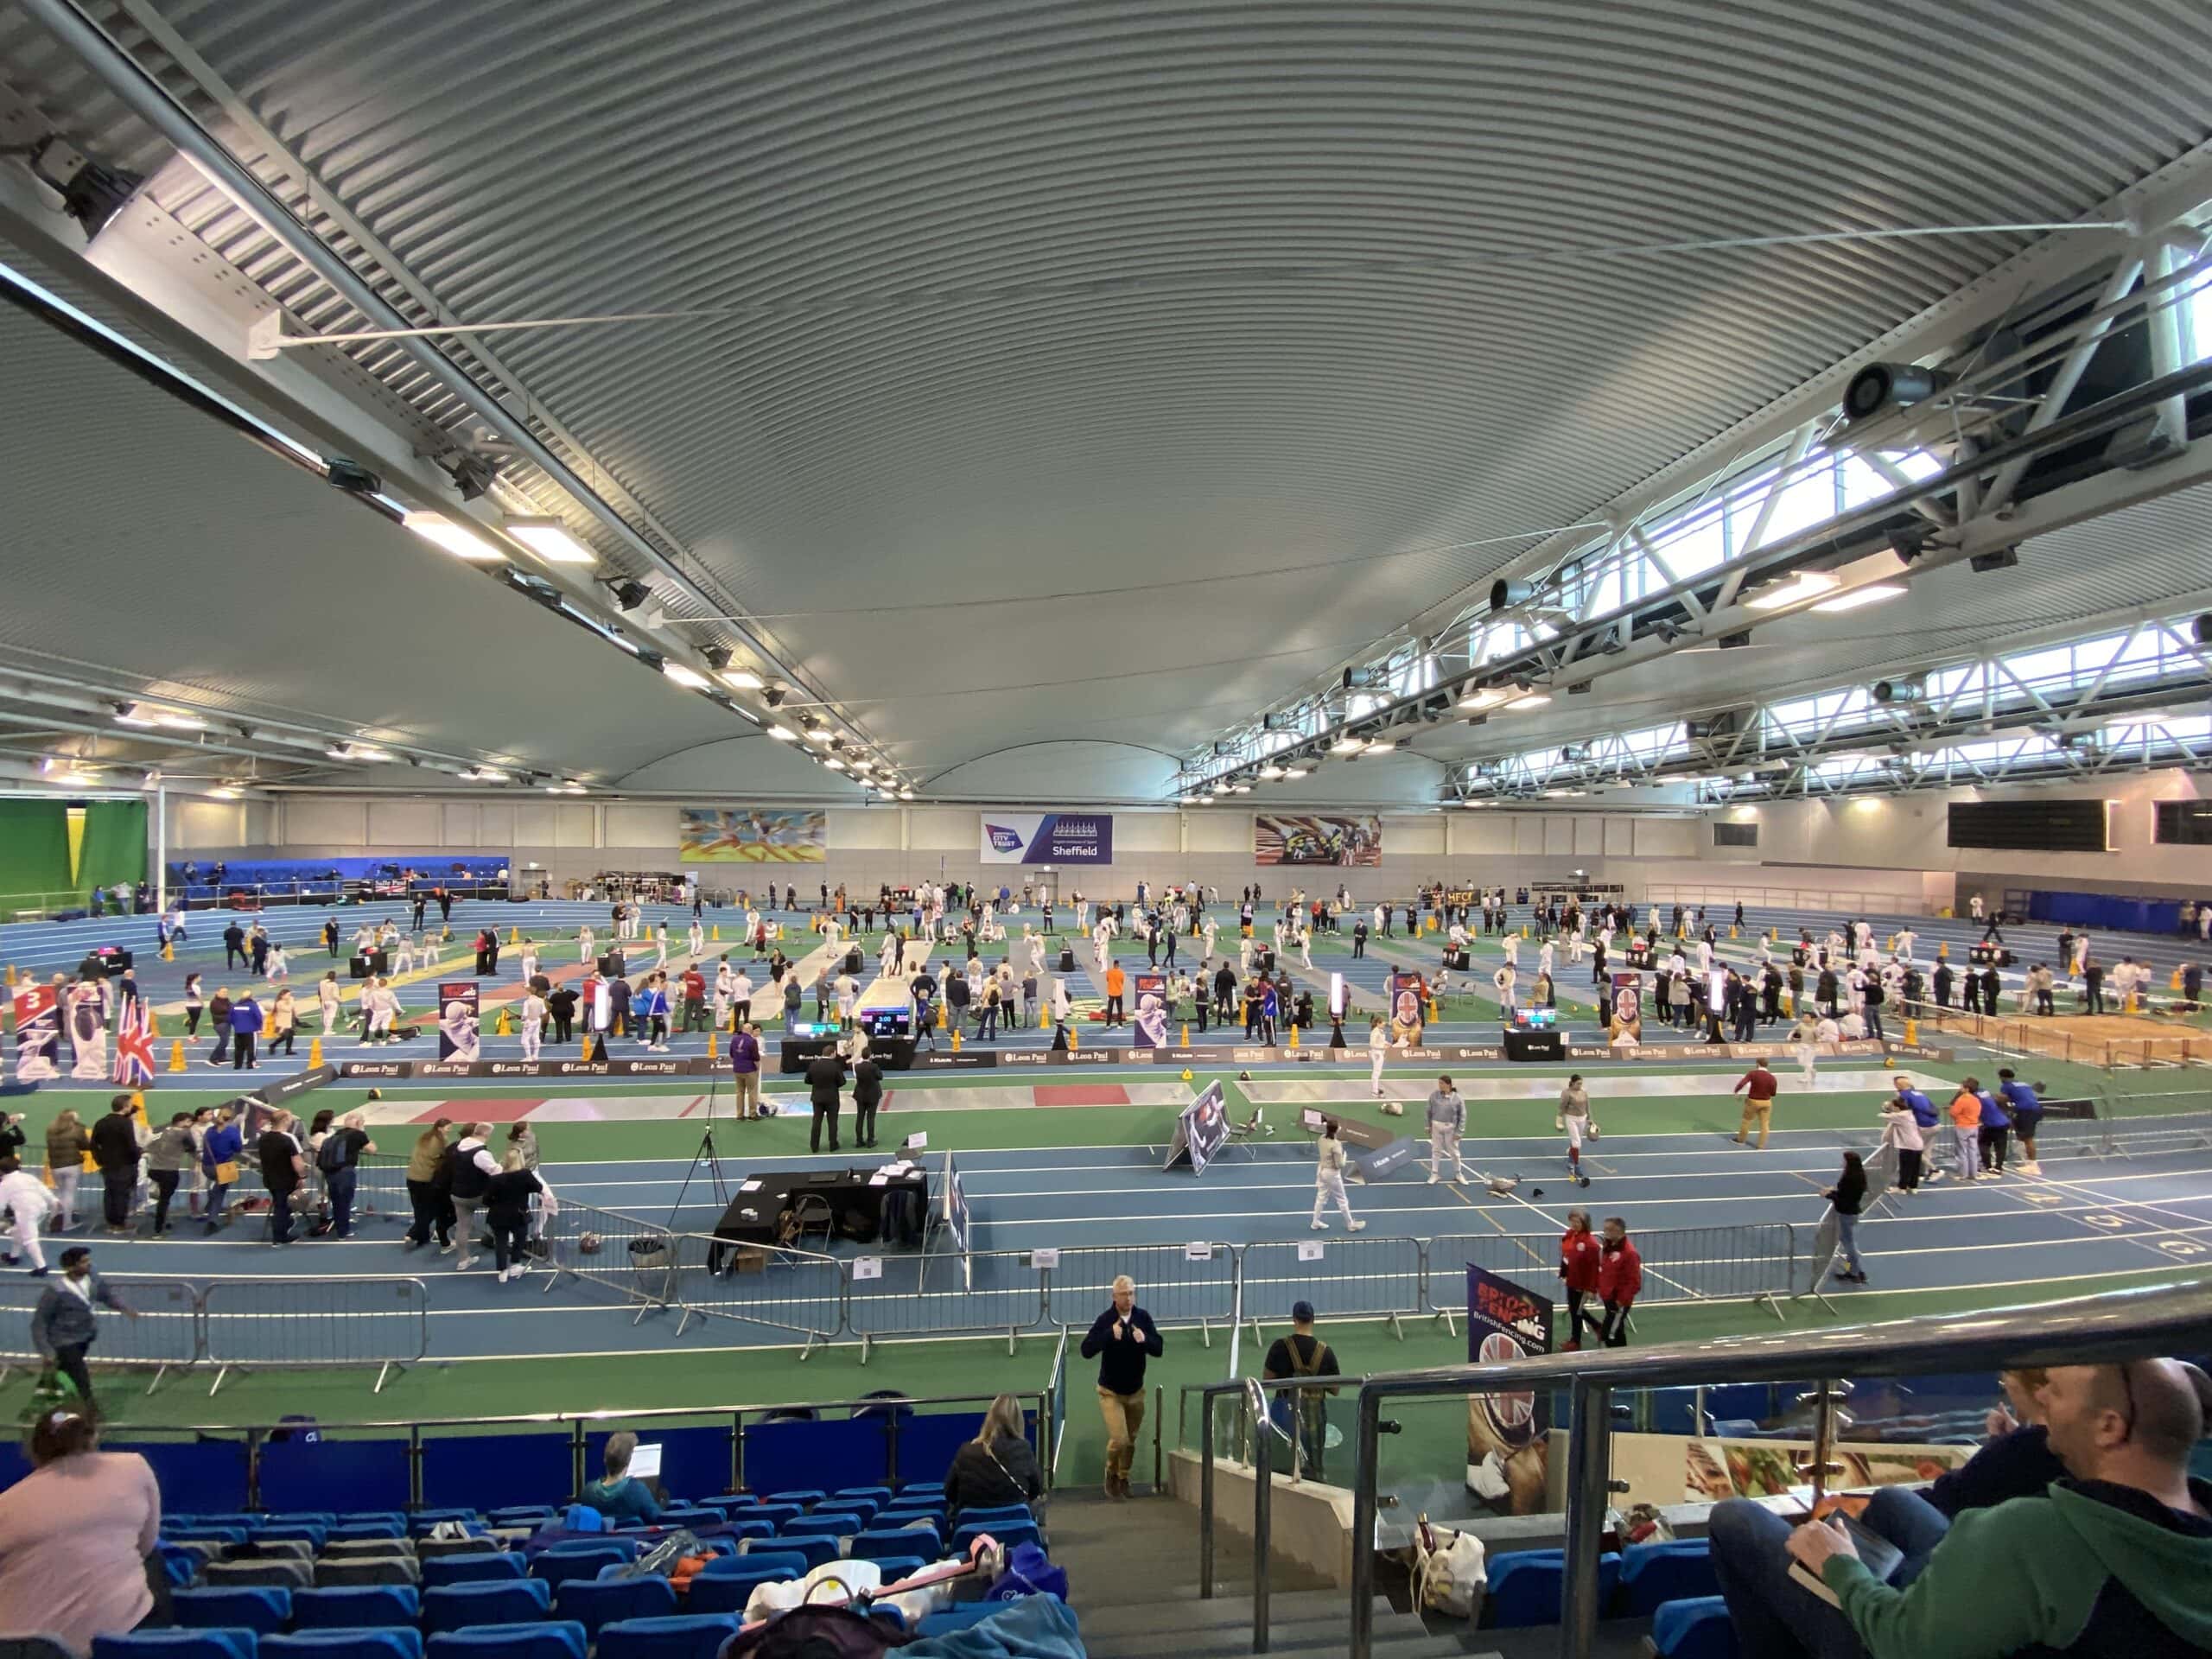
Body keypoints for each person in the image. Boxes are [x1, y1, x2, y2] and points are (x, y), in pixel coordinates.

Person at [1713, 1359, 2212, 1659]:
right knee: (1893, 1502)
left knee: (1735, 1519)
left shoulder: (2031, 1535)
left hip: (1896, 1637)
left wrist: (1840, 1567)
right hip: (2004, 1612)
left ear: (2109, 1427)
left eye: (2054, 1393)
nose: (2041, 1402)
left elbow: (1902, 1642)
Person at [0, 1399, 163, 1650]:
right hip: (103, 1639)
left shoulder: (6, 1504)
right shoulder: (134, 1467)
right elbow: (146, 1545)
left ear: (35, 1449)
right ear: (92, 1436)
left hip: (18, 1648)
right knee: (152, 1560)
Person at [1081, 1275, 1165, 1499]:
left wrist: (1145, 1338)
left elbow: (1159, 1348)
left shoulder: (1142, 1318)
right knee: (1120, 1439)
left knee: (1131, 1440)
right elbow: (1086, 1350)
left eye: (1131, 1293)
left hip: (1136, 1392)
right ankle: (1110, 1471)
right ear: (1114, 1297)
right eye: (1124, 1294)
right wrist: (1109, 1335)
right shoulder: (1106, 1320)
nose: (1128, 1298)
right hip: (1110, 1392)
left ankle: (1123, 1477)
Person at [29, 1245, 138, 1408]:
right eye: (84, 1262)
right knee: (80, 1377)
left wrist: (124, 1307)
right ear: (71, 1267)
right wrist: (47, 1352)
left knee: (64, 1371)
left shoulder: (92, 1278)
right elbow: (39, 1322)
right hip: (64, 1341)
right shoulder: (56, 1291)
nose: (89, 1264)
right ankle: (90, 1412)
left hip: (84, 1336)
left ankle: (49, 1402)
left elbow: (105, 1295)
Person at [941, 1393, 1043, 1525]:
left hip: (972, 1531)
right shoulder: (1023, 1448)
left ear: (989, 1418)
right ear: (1018, 1420)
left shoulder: (966, 1451)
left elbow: (950, 1492)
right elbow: (1035, 1490)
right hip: (1015, 1526)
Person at [436, 1123, 501, 1270]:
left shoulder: (457, 1147)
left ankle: (463, 1260)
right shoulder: (480, 1153)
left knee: (462, 1227)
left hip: (458, 1194)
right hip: (477, 1195)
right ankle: (502, 1249)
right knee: (501, 1212)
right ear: (485, 1135)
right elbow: (496, 1171)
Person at [483, 1160, 556, 1282]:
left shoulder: (495, 1179)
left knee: (501, 1243)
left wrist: (497, 1206)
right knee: (520, 1239)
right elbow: (538, 1187)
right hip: (518, 1215)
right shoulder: (525, 1175)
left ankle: (502, 1272)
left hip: (498, 1216)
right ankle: (515, 1265)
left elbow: (486, 1200)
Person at [577, 1431, 664, 1524]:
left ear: (605, 1459)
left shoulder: (588, 1492)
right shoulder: (637, 1491)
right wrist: (662, 1503)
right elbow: (658, 1519)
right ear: (629, 1461)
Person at [1580, 1217, 1639, 1348]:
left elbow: (1634, 1282)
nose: (1604, 1232)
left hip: (1617, 1302)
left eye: (1608, 1229)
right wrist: (1594, 1288)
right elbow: (1603, 1271)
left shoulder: (1629, 1253)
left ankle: (1616, 1360)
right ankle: (1625, 1358)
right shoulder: (1608, 1247)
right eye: (1605, 1229)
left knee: (1609, 1334)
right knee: (1617, 1331)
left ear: (1618, 1231)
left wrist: (1620, 1301)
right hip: (1608, 1298)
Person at [318, 1111, 376, 1237]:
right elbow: (372, 1149)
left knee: (336, 1201)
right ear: (358, 1123)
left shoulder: (335, 1135)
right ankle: (343, 1232)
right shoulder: (358, 1134)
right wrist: (365, 1134)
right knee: (344, 1201)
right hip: (345, 1172)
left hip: (330, 1173)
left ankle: (339, 1225)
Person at [89, 1096, 141, 1235]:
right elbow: (131, 1145)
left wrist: (99, 1160)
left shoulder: (101, 1122)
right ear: (125, 1107)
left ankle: (111, 1221)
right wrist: (137, 1157)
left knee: (110, 1192)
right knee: (122, 1195)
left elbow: (93, 1144)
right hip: (125, 1164)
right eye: (130, 1105)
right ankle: (119, 1223)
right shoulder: (125, 1123)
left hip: (107, 1164)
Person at [257, 1108, 305, 1246]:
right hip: (286, 1179)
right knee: (282, 1207)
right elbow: (298, 1162)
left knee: (280, 1204)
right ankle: (280, 1236)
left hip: (270, 1178)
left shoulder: (263, 1138)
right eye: (290, 1117)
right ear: (284, 1120)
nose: (292, 1120)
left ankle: (284, 1225)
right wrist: (302, 1176)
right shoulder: (289, 1138)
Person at [0, 1154, 56, 1273]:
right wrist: (53, 1201)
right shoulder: (28, 1177)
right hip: (41, 1208)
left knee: (29, 1239)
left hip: (26, 1211)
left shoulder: (5, 1184)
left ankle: (41, 1267)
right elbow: (43, 1190)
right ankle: (13, 1257)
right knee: (18, 1232)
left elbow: (0, 1206)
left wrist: (2, 1221)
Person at [404, 1118, 454, 1250]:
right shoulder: (441, 1141)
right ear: (440, 1128)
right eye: (448, 1128)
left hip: (411, 1177)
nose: (450, 1130)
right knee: (431, 1210)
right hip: (425, 1179)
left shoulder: (424, 1137)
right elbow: (445, 1160)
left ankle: (423, 1237)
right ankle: (413, 1233)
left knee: (419, 1209)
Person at [143, 1112, 195, 1235]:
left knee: (162, 1198)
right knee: (164, 1201)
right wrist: (183, 1149)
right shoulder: (185, 1133)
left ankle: (156, 1198)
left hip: (154, 1170)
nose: (190, 1124)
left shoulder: (165, 1131)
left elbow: (151, 1145)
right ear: (181, 1121)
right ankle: (159, 1228)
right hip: (169, 1171)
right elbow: (192, 1147)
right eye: (188, 1121)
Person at [1558, 1210, 1602, 1351]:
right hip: (1571, 1279)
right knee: (1575, 1309)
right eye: (1572, 1221)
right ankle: (1597, 1327)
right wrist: (1564, 1272)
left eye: (1578, 1222)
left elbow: (1594, 1268)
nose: (1574, 1224)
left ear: (1585, 1223)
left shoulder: (1590, 1244)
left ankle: (1575, 1342)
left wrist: (1591, 1289)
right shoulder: (1571, 1235)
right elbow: (1567, 1256)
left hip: (1580, 1283)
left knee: (1576, 1311)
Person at [1312, 1118, 1365, 1232]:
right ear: (1336, 1130)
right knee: (1342, 1199)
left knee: (1321, 1197)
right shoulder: (1336, 1145)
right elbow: (1339, 1165)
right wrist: (1345, 1157)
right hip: (1332, 1173)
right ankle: (1350, 1224)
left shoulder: (1321, 1138)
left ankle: (1315, 1222)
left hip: (1321, 1170)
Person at [1825, 1151, 1870, 1284]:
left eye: (1844, 1160)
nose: (1843, 1162)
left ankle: (1854, 1273)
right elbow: (1845, 1195)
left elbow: (1844, 1200)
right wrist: (1832, 1192)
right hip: (1850, 1213)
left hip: (1847, 1214)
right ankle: (1855, 1271)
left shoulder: (1850, 1178)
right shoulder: (1858, 1175)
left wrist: (1828, 1195)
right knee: (1848, 1245)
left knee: (1850, 1248)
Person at [1998, 1068, 2044, 1174]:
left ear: (2002, 1077)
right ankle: (2027, 1162)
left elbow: (2003, 1099)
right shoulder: (2024, 1084)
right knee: (2022, 1136)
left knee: (2028, 1139)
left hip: (2027, 1112)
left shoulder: (2006, 1086)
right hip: (2035, 1110)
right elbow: (2023, 1097)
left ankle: (2033, 1166)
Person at [1878, 1090, 1925, 1194]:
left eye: (1894, 1107)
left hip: (1908, 1145)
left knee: (1905, 1168)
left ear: (1897, 1107)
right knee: (1915, 1168)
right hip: (1918, 1144)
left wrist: (1886, 1109)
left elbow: (1883, 1115)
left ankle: (1902, 1188)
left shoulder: (1900, 1116)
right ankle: (1913, 1187)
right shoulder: (1909, 1113)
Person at [1426, 1076, 1466, 1185]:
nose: (1440, 1085)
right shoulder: (1434, 1095)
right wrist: (1428, 1125)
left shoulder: (1457, 1098)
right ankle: (1434, 1174)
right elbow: (1428, 1111)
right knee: (1436, 1150)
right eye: (1439, 1083)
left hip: (1451, 1128)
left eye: (1442, 1083)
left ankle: (1458, 1174)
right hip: (1436, 1126)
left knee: (1454, 1152)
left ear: (1449, 1084)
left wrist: (1460, 1131)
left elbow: (1462, 1115)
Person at [805, 1046, 846, 1152]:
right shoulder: (835, 1066)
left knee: (816, 1122)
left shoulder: (813, 1065)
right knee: (832, 1122)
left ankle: (814, 1146)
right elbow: (842, 1082)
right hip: (832, 1097)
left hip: (817, 1098)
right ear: (832, 1053)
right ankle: (833, 1145)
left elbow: (807, 1080)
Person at [1732, 1058, 1778, 1149]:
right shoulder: (1772, 1077)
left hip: (1753, 1101)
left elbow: (1742, 1083)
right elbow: (1773, 1093)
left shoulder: (1752, 1073)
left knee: (1747, 1121)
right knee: (1764, 1124)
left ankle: (1741, 1140)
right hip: (1766, 1103)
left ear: (1758, 1064)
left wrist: (1736, 1091)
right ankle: (1760, 1145)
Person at [1559, 1073, 1594, 1188]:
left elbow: (1587, 1106)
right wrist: (1559, 1120)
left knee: (1576, 1142)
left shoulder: (1584, 1092)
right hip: (1571, 1119)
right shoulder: (1566, 1093)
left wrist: (1590, 1119)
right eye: (1578, 1083)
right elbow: (1562, 1107)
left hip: (1582, 1119)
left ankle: (1571, 1159)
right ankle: (1576, 1165)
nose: (1580, 1085)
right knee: (1576, 1143)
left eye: (1581, 1083)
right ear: (1572, 1082)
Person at [1948, 1077, 1986, 1181]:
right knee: (1973, 1151)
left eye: (1962, 1087)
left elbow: (1953, 1113)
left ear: (1967, 1089)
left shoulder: (1962, 1099)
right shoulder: (1976, 1099)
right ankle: (1973, 1174)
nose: (1960, 1088)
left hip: (1963, 1126)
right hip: (1974, 1126)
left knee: (1961, 1151)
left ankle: (1963, 1174)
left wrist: (1953, 1111)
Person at [729, 1021, 763, 1119]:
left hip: (737, 1069)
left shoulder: (734, 1039)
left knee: (739, 1092)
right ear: (751, 1031)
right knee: (752, 1091)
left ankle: (739, 1114)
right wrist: (757, 1068)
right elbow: (756, 1057)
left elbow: (731, 1054)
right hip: (749, 1070)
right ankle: (752, 1114)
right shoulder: (752, 1041)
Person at [851, 1048, 884, 1148]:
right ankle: (870, 1140)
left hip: (860, 1095)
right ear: (870, 1055)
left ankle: (859, 1140)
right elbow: (880, 1077)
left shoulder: (857, 1067)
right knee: (871, 1118)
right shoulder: (874, 1066)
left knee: (860, 1117)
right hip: (872, 1095)